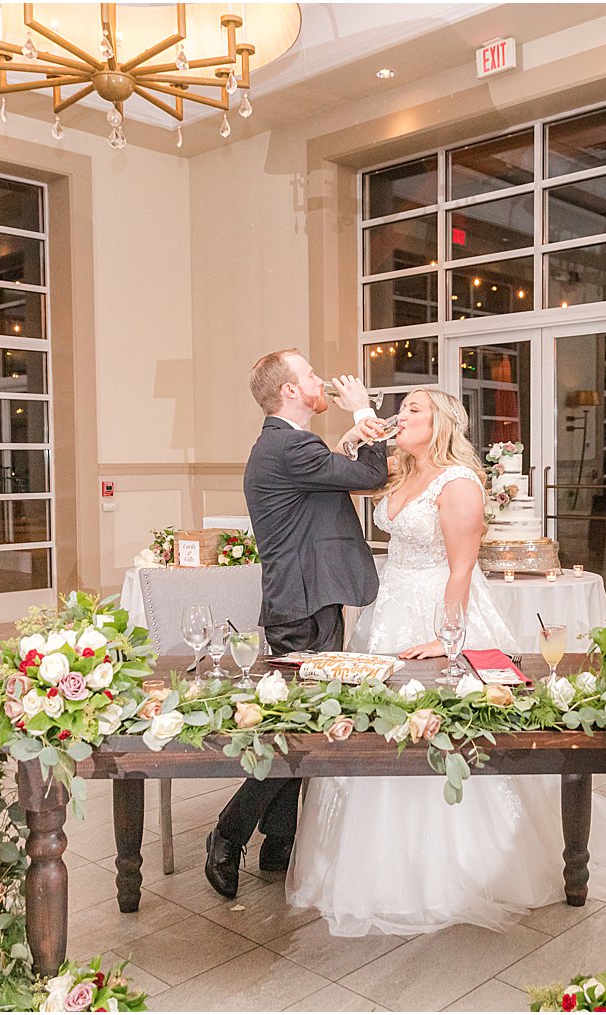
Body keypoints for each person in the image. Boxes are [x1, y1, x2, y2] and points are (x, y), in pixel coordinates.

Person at [287, 388, 564, 936]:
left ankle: (458, 870)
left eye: (414, 409)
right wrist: (356, 432)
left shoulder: (458, 482)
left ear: (442, 422)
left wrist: (448, 637)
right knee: (378, 728)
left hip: (440, 612)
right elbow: (347, 471)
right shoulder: (397, 472)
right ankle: (374, 864)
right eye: (402, 408)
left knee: (440, 728)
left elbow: (461, 568)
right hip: (388, 610)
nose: (401, 416)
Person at [204, 349, 388, 898]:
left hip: (309, 600)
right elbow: (372, 476)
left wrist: (348, 439)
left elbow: (332, 481)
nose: (321, 380)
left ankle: (278, 842)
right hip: (301, 605)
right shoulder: (289, 445)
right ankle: (229, 834)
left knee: (300, 728)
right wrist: (362, 411)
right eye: (309, 375)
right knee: (298, 735)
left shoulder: (290, 446)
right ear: (288, 391)